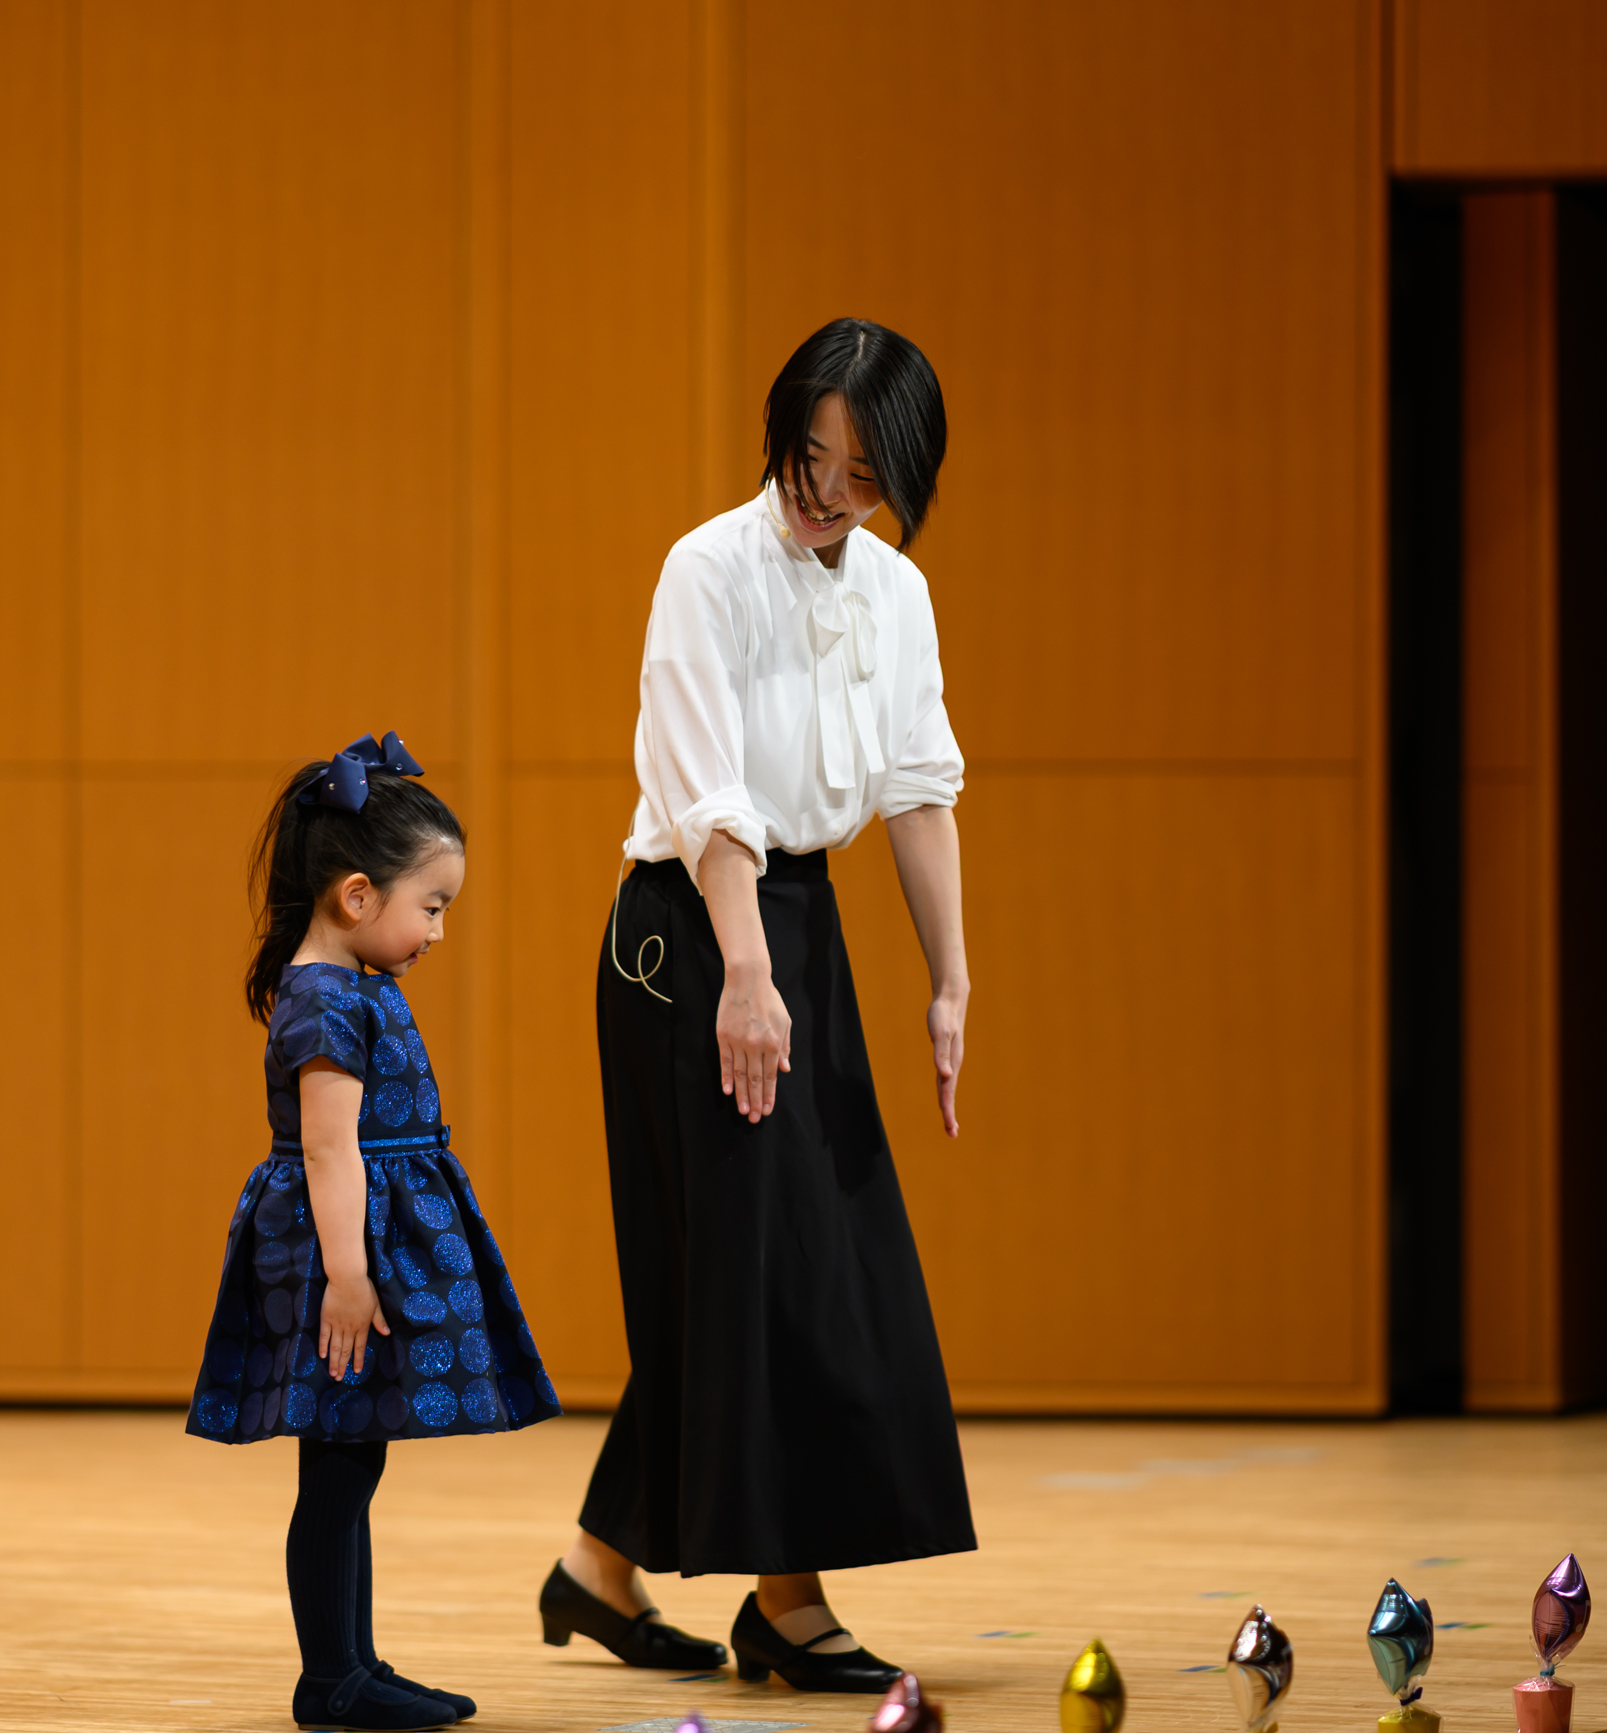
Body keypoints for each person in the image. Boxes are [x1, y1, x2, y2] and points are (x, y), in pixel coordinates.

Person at [536, 318, 977, 1694]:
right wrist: (742, 969)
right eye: (810, 456)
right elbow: (707, 794)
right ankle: (786, 1606)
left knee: (767, 1269)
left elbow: (918, 785)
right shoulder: (706, 568)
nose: (826, 492)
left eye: (858, 474)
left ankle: (599, 1569)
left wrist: (951, 978)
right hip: (689, 937)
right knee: (769, 1277)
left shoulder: (896, 590)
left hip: (800, 931)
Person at [188, 732, 560, 1731]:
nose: (437, 930)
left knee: (350, 1459)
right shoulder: (321, 1002)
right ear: (357, 895)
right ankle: (331, 1676)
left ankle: (348, 1661)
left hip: (359, 1239)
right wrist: (349, 1277)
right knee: (338, 1464)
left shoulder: (352, 986)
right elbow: (326, 1151)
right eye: (430, 906)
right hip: (334, 1251)